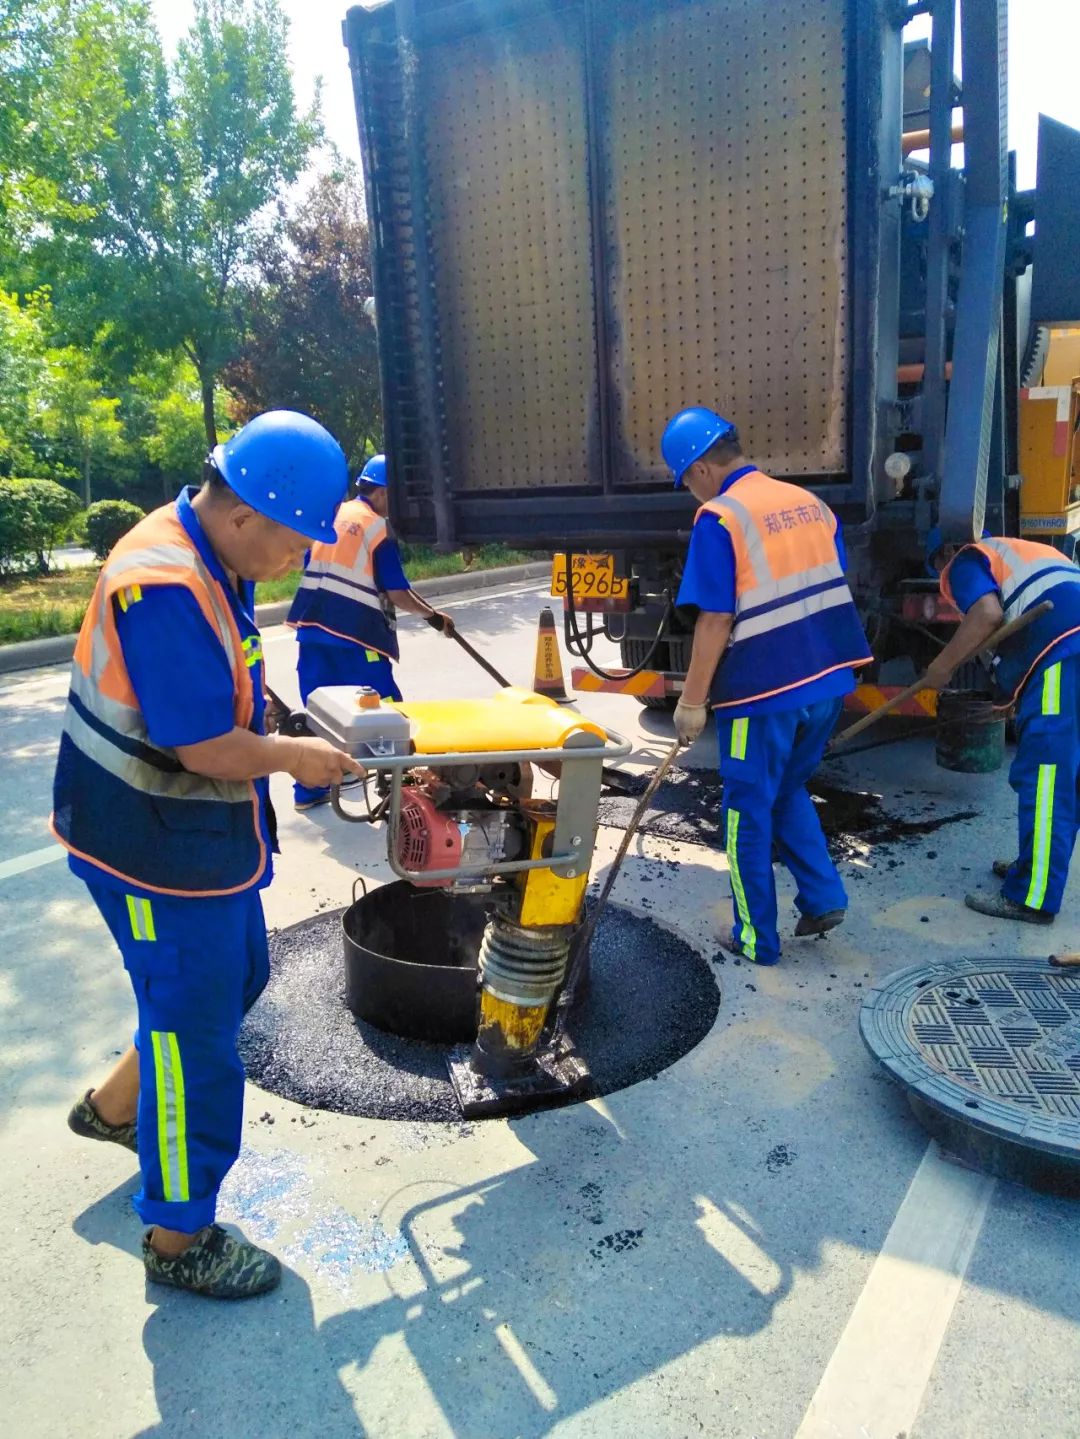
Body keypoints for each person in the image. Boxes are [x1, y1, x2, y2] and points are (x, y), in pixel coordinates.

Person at [54, 410, 364, 1299]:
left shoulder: (207, 551)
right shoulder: (158, 580)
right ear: (243, 516)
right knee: (197, 1046)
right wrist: (293, 757)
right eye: (294, 540)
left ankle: (115, 1108)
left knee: (234, 980)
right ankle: (179, 1236)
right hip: (144, 840)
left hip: (185, 834)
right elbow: (203, 747)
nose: (299, 558)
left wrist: (286, 720)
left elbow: (222, 678)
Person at [662, 406, 872, 965]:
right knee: (786, 790)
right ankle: (824, 896)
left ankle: (756, 937)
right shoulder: (811, 504)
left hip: (763, 696)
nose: (691, 495)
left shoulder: (721, 519)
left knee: (745, 813)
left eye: (686, 482)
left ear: (702, 468)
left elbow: (714, 619)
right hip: (827, 684)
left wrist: (691, 702)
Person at [925, 527, 1080, 923]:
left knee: (1045, 778)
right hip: (1066, 645)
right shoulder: (1021, 552)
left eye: (939, 568)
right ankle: (1037, 866)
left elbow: (988, 615)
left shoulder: (967, 558)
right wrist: (1008, 700)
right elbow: (1017, 628)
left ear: (947, 551)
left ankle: (1032, 896)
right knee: (1066, 776)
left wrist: (942, 666)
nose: (947, 578)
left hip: (1065, 651)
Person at [285, 452, 454, 811]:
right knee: (389, 710)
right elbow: (397, 592)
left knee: (320, 712)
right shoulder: (376, 527)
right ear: (383, 493)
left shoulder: (332, 516)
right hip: (355, 633)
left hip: (312, 629)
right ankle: (403, 789)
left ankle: (310, 791)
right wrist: (434, 616)